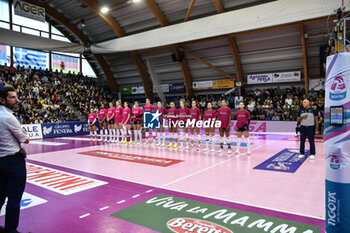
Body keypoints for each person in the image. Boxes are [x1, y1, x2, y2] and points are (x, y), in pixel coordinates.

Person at [0, 87, 30, 233]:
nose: (17, 100)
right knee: (14, 198)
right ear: (2, 100)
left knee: (0, 195)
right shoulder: (8, 117)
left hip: (1, 161)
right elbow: (26, 139)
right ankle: (11, 230)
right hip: (13, 162)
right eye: (12, 97)